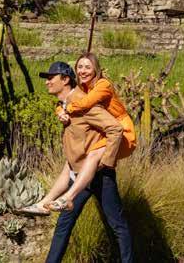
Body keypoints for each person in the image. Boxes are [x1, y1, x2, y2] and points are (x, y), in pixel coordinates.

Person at [18, 61, 134, 262]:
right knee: (64, 224)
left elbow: (115, 128)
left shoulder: (83, 103)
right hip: (79, 174)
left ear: (65, 80)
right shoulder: (64, 105)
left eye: (51, 78)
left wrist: (106, 161)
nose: (47, 82)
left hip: (100, 175)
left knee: (118, 225)